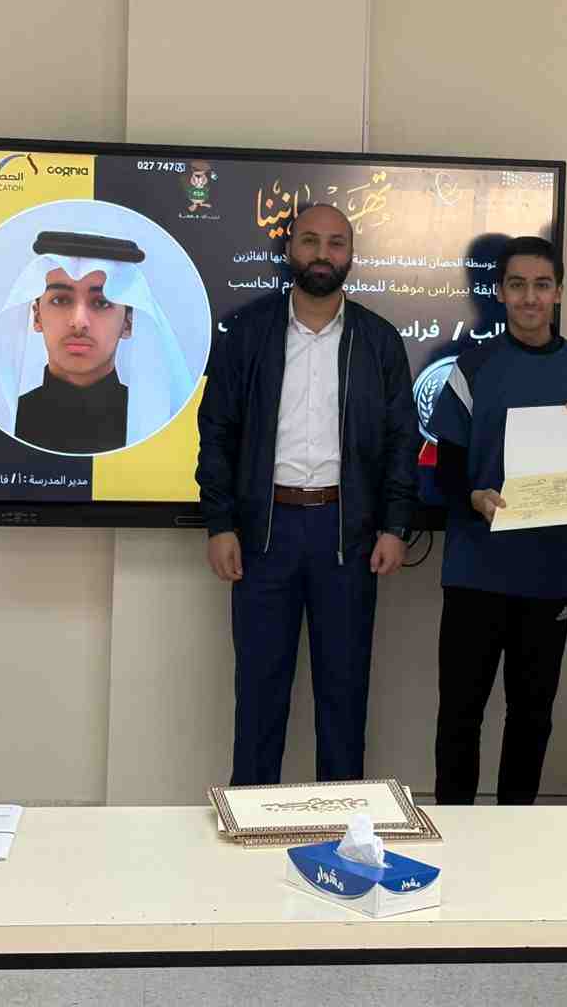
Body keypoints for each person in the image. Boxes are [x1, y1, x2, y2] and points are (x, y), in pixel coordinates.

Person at [195, 203, 417, 786]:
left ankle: (342, 826)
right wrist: (219, 523)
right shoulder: (248, 333)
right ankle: (250, 819)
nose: (323, 254)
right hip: (263, 534)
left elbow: (402, 440)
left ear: (351, 255)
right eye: (311, 241)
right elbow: (216, 432)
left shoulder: (378, 340)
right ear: (290, 249)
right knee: (258, 694)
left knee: (344, 696)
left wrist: (395, 525)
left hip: (348, 536)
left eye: (336, 243)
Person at [428, 236, 567, 806]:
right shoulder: (472, 366)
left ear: (559, 292)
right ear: (500, 293)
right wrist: (474, 497)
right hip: (475, 572)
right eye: (518, 285)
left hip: (547, 575)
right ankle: (456, 829)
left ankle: (516, 834)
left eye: (542, 285)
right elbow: (444, 471)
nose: (530, 297)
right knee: (461, 714)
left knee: (532, 716)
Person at [0, 229, 196, 454]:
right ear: (37, 317)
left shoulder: (155, 424)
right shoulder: (6, 424)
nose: (79, 322)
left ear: (128, 323)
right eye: (61, 300)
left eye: (101, 303)